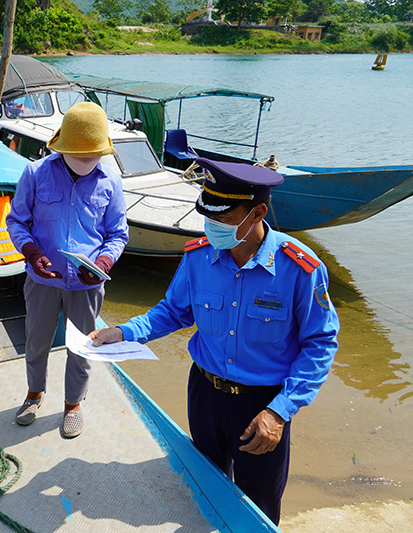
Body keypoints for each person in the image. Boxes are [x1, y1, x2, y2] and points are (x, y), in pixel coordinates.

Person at [90, 158, 339, 524]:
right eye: (207, 217)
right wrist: (125, 331)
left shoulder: (299, 268)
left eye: (222, 219)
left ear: (257, 213)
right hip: (205, 394)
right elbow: (173, 312)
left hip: (262, 404)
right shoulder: (198, 257)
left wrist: (280, 411)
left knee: (258, 507)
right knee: (204, 487)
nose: (211, 226)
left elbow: (320, 344)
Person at [6, 101, 129, 438]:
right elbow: (17, 220)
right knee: (37, 340)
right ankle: (34, 394)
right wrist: (31, 252)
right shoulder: (35, 173)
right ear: (62, 149)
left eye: (92, 157)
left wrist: (102, 263)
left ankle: (73, 404)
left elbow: (118, 234)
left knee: (84, 346)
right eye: (79, 156)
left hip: (87, 285)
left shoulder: (112, 182)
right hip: (42, 280)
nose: (86, 163)